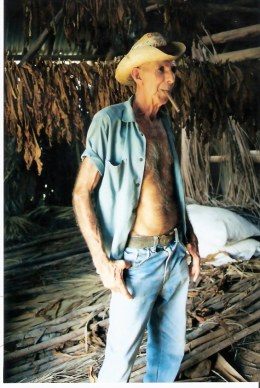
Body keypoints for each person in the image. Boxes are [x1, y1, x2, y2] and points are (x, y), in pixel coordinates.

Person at [72, 32, 200, 383]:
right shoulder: (109, 122)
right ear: (138, 74)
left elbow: (170, 187)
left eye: (172, 68)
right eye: (162, 69)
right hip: (136, 262)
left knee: (170, 350)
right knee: (120, 358)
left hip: (174, 254)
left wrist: (189, 237)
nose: (172, 77)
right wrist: (102, 262)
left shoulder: (164, 123)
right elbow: (82, 192)